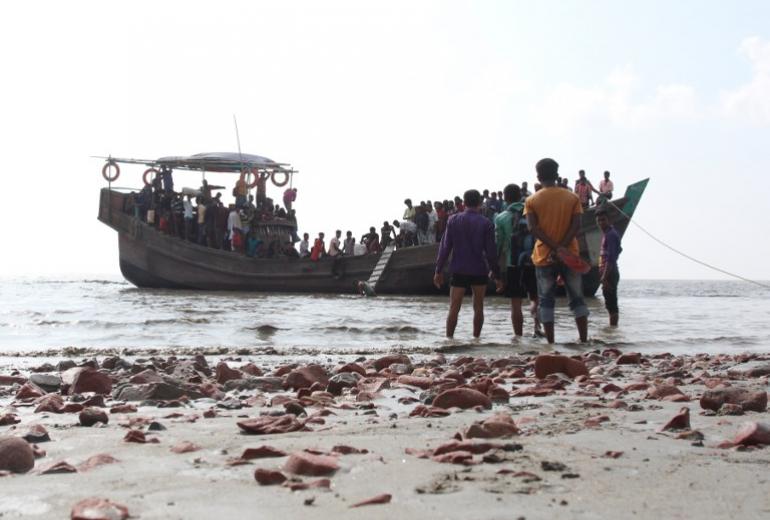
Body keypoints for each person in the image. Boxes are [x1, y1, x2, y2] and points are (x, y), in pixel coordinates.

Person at [524, 158, 589, 344]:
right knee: (577, 298)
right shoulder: (572, 197)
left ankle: (551, 343)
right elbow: (577, 225)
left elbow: (533, 228)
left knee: (545, 300)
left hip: (544, 256)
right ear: (557, 174)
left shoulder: (531, 200)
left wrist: (553, 247)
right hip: (570, 256)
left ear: (538, 176)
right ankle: (583, 340)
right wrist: (562, 248)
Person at [434, 189, 503, 338]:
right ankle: (476, 340)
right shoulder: (486, 223)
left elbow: (445, 247)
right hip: (479, 270)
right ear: (480, 203)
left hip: (459, 269)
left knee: (454, 307)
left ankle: (449, 340)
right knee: (478, 307)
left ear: (464, 203)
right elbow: (491, 253)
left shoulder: (453, 220)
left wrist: (438, 271)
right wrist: (497, 275)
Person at [495, 184, 541, 337]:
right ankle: (537, 326)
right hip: (534, 260)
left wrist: (494, 267)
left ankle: (519, 338)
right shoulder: (532, 212)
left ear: (506, 198)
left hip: (513, 263)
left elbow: (499, 244)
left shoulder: (501, 218)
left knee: (516, 304)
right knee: (535, 298)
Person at [596, 209, 622, 326]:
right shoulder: (608, 234)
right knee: (609, 304)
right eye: (599, 220)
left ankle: (612, 333)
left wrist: (604, 277)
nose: (601, 223)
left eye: (603, 220)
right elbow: (619, 250)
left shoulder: (611, 235)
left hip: (610, 274)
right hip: (608, 273)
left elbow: (611, 259)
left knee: (612, 305)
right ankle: (612, 333)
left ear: (609, 220)